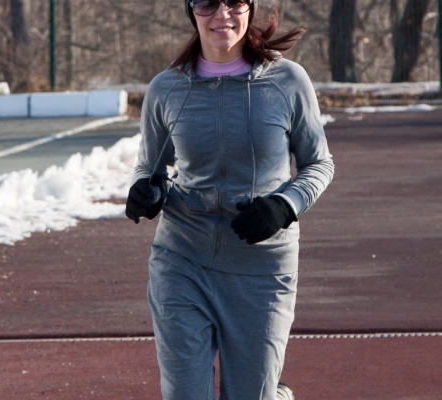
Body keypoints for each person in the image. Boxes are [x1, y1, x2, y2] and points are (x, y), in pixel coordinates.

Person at [125, 0, 334, 398]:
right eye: (207, 2)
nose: (222, 14)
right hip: (183, 258)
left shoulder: (287, 80)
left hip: (262, 266)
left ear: (249, 8)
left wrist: (284, 205)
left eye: (234, 1)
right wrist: (146, 191)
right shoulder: (167, 88)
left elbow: (319, 164)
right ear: (191, 10)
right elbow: (150, 167)